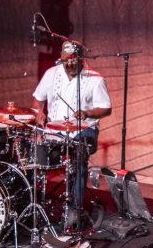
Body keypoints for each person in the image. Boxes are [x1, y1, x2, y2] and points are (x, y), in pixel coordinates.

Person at [32, 40, 112, 229]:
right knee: (33, 154)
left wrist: (88, 113)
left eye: (73, 60)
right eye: (65, 60)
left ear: (82, 59)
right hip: (55, 130)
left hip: (84, 130)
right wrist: (39, 112)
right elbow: (37, 99)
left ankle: (75, 208)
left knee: (79, 156)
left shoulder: (95, 79)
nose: (69, 64)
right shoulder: (51, 74)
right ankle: (33, 203)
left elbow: (106, 108)